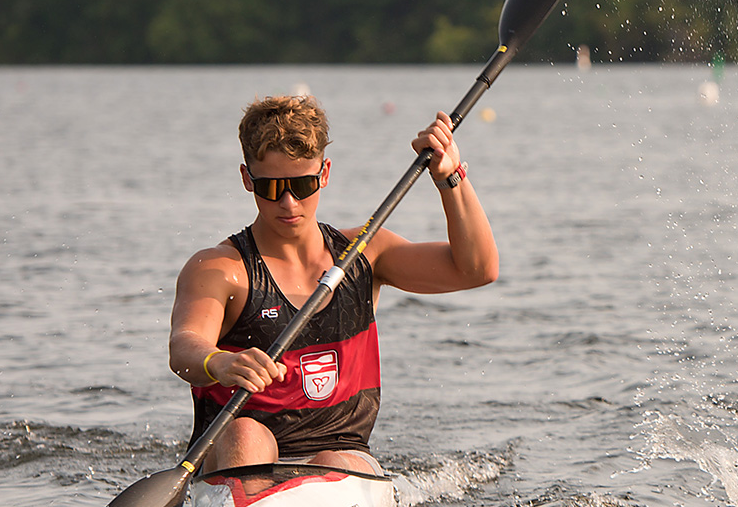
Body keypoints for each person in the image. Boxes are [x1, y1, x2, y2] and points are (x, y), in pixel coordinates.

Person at [169, 94, 498, 478]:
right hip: (241, 454)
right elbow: (184, 346)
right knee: (246, 435)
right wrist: (219, 361)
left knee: (333, 464)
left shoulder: (365, 251)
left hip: (339, 451)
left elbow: (476, 269)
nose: (289, 203)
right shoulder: (221, 268)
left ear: (324, 173)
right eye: (272, 188)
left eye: (303, 185)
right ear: (247, 179)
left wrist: (450, 177)